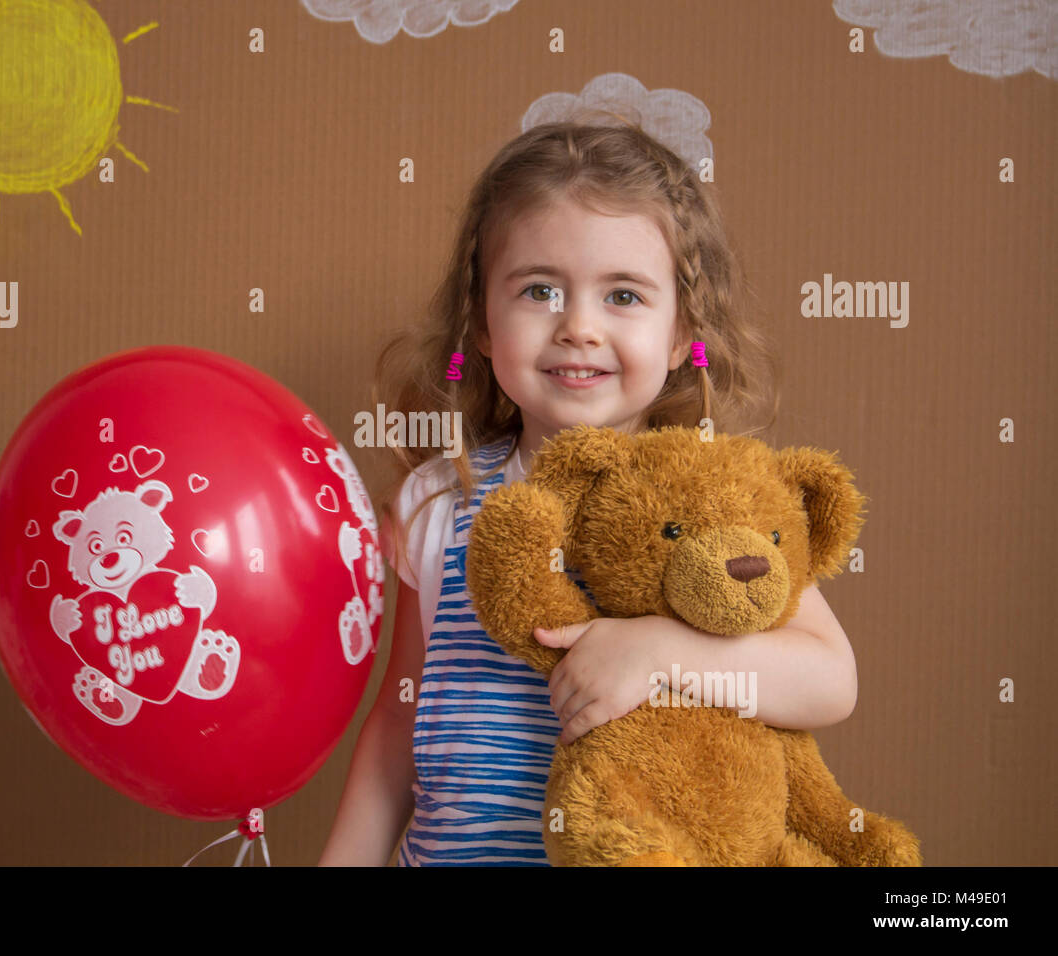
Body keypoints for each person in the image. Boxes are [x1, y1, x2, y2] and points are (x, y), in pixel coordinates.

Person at [318, 118, 859, 866]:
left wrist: (662, 652)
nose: (579, 327)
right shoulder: (437, 503)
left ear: (682, 334)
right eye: (540, 290)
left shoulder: (714, 504)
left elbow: (830, 679)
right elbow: (397, 719)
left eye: (624, 297)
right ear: (480, 319)